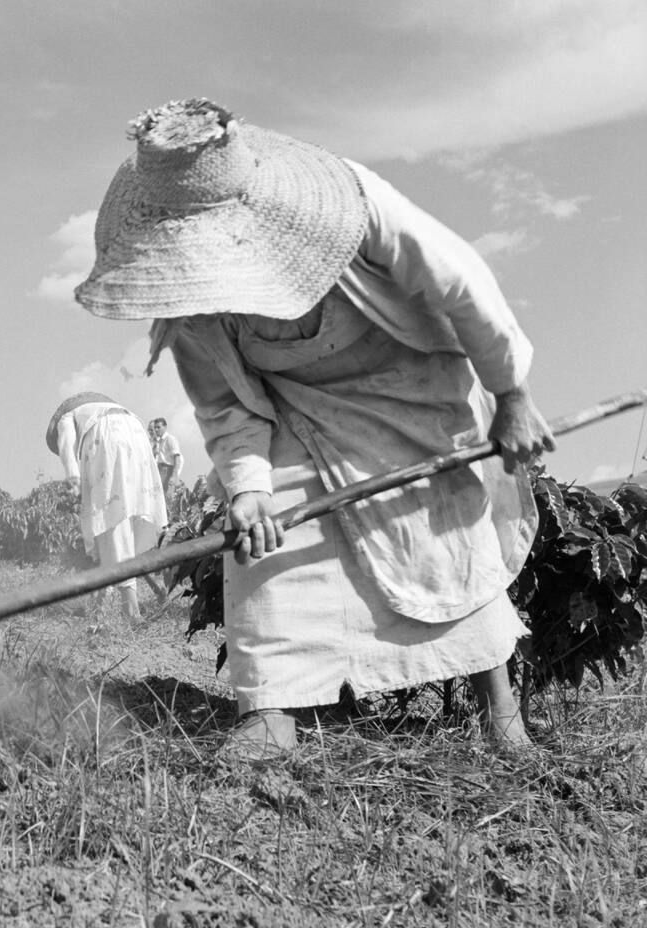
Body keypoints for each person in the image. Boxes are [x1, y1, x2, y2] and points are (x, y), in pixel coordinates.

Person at [73, 98, 555, 756]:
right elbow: (225, 404)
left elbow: (463, 285)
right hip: (290, 407)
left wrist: (511, 394)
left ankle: (500, 714)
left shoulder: (351, 206)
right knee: (266, 545)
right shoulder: (188, 296)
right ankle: (271, 709)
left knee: (443, 534)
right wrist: (249, 489)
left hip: (405, 381)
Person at [48, 392, 169, 618]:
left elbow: (66, 447)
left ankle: (131, 611)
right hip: (137, 434)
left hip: (104, 438)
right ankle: (103, 603)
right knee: (128, 517)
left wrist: (73, 482)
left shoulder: (67, 417)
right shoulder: (108, 409)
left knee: (110, 522)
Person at [149, 416, 185, 515]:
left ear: (165, 427)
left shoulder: (170, 439)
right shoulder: (159, 441)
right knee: (158, 498)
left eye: (158, 427)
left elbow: (177, 458)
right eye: (155, 427)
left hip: (167, 470)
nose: (156, 430)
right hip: (160, 469)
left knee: (168, 498)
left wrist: (174, 476)